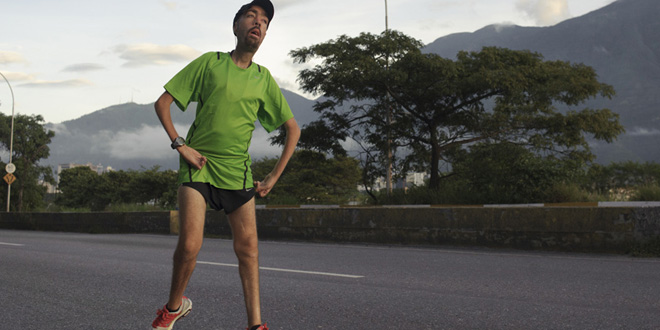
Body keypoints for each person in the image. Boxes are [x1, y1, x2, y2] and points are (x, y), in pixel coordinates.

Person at [151, 1, 300, 329]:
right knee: (190, 243)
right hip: (199, 165)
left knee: (248, 249)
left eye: (264, 21)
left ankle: (255, 325)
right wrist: (181, 145)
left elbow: (293, 129)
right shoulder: (210, 63)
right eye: (251, 16)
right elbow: (162, 103)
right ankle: (173, 308)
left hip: (238, 173)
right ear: (236, 27)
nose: (258, 24)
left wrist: (274, 176)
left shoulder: (263, 79)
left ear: (264, 35)